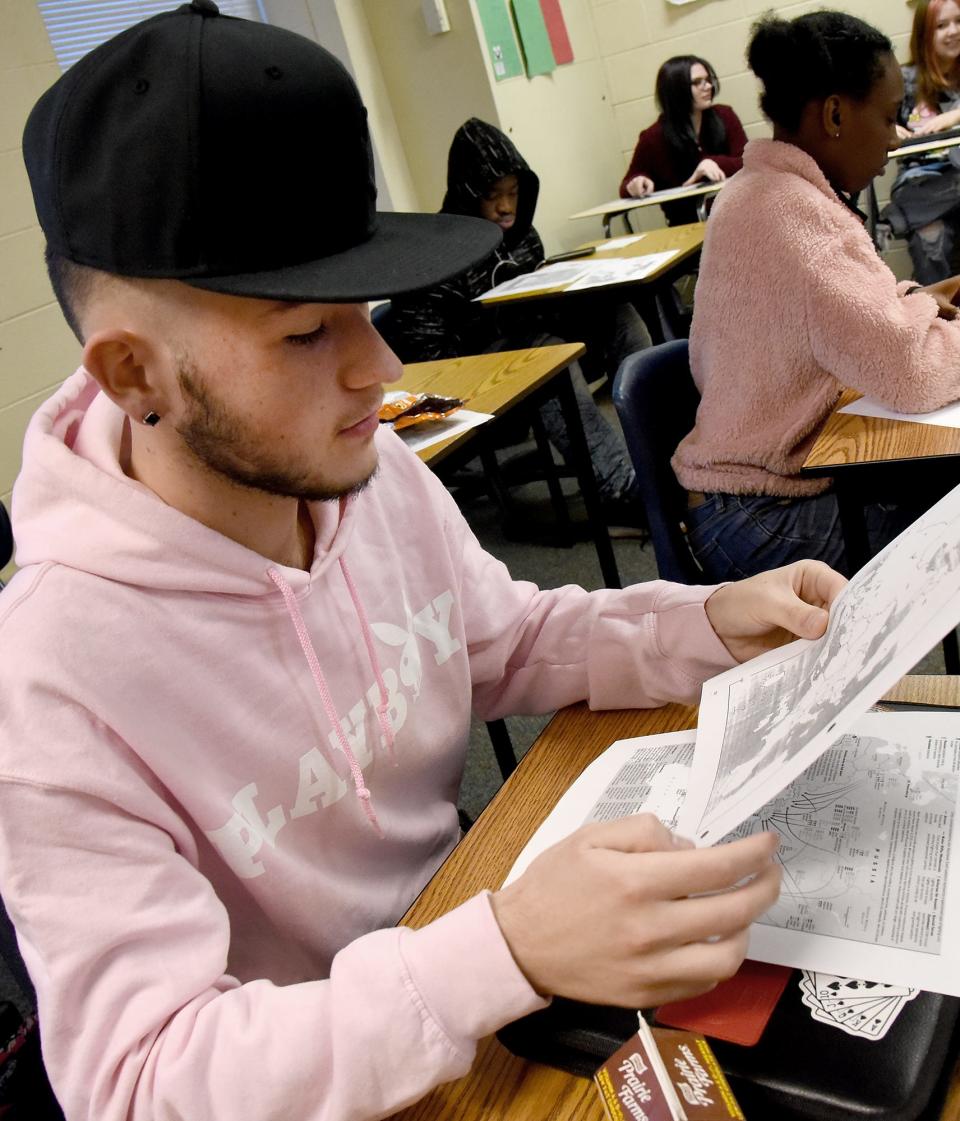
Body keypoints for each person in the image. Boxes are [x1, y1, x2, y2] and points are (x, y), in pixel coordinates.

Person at [0, 5, 845, 1119]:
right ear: (130, 372)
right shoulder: (54, 678)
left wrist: (710, 620)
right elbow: (143, 1077)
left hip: (485, 980)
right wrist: (503, 949)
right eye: (307, 334)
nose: (382, 364)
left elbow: (503, 640)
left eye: (368, 306)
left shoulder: (362, 471)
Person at [672, 10, 960, 584]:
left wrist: (918, 300)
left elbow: (840, 309)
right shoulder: (794, 217)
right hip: (761, 520)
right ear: (833, 114)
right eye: (886, 117)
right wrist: (929, 324)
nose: (894, 136)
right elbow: (912, 373)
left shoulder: (761, 191)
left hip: (745, 494)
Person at [390, 117, 650, 527]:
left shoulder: (522, 236)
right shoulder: (438, 253)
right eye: (492, 196)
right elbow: (430, 357)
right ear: (468, 194)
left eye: (513, 193)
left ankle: (659, 449)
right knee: (547, 357)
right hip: (473, 372)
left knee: (618, 316)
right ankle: (617, 486)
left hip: (532, 343)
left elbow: (537, 303)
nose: (506, 206)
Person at [618, 56, 747, 226]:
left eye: (708, 80)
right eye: (697, 82)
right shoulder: (653, 137)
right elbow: (628, 184)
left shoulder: (724, 116)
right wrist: (636, 183)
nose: (708, 86)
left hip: (735, 217)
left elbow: (749, 161)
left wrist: (714, 162)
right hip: (686, 225)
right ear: (676, 89)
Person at [884, 0, 960, 283]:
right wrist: (889, 127)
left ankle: (900, 216)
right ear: (924, 33)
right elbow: (874, 121)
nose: (953, 31)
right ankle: (940, 324)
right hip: (923, 182)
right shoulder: (903, 80)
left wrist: (955, 117)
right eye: (942, 26)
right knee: (931, 241)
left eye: (959, 22)